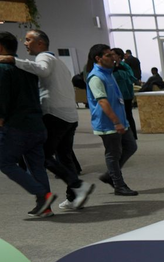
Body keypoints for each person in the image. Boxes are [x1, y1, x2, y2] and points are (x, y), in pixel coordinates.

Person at [0, 29, 94, 210]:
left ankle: (73, 186)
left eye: (28, 40)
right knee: (63, 157)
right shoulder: (57, 62)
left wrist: (13, 59)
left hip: (53, 114)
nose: (25, 43)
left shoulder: (44, 58)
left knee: (40, 158)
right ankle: (73, 197)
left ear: (40, 43)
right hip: (68, 116)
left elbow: (42, 70)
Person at [0, 31, 56, 218]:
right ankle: (45, 207)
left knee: (5, 161)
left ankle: (42, 195)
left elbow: (2, 100)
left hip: (17, 125)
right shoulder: (28, 67)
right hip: (36, 124)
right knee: (36, 166)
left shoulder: (3, 68)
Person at [84, 44, 138, 196]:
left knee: (131, 146)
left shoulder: (109, 73)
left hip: (120, 120)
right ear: (98, 58)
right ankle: (119, 185)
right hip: (108, 123)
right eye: (108, 55)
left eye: (112, 55)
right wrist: (116, 121)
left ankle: (110, 175)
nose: (113, 58)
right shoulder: (96, 77)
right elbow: (102, 102)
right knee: (113, 154)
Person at [111, 48, 137, 139]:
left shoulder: (124, 66)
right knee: (119, 114)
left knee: (128, 114)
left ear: (119, 56)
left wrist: (119, 71)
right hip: (116, 94)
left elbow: (131, 77)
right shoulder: (112, 66)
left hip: (126, 94)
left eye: (113, 54)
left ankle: (133, 135)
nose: (112, 56)